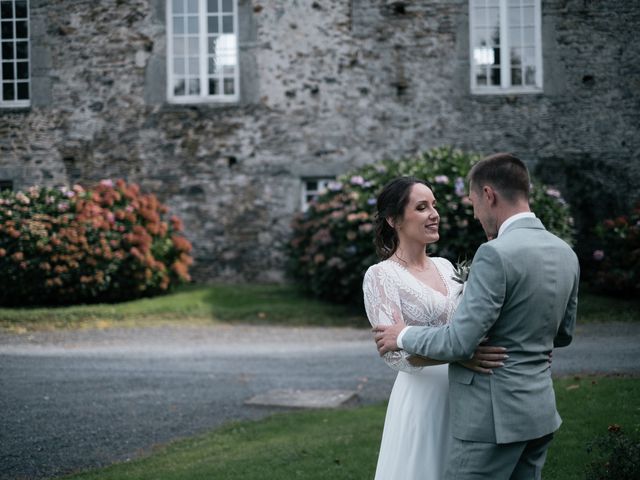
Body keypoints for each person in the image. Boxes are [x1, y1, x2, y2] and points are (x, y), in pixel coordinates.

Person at [373, 153, 579, 480]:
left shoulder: (492, 254)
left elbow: (459, 340)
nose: (473, 212)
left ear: (489, 195)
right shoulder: (564, 252)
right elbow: (562, 333)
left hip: (492, 415)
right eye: (422, 207)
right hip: (536, 410)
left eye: (473, 202)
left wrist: (401, 334)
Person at [363, 176, 508, 480]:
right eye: (421, 207)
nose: (434, 214)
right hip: (423, 396)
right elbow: (394, 356)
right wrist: (457, 355)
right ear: (394, 220)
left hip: (466, 389)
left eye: (434, 206)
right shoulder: (381, 276)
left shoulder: (445, 267)